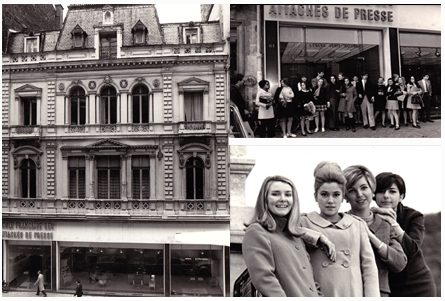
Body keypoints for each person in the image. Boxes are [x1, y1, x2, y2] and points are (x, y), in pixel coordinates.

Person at [243, 175, 336, 297]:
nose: (283, 199)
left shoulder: (295, 236)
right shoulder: (256, 231)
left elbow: (309, 282)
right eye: (275, 194)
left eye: (288, 194)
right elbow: (264, 280)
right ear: (264, 199)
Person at [300, 161, 380, 297]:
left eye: (336, 195)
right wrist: (316, 237)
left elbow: (369, 270)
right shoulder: (304, 223)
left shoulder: (356, 225)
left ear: (343, 196)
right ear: (315, 196)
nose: (330, 201)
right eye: (324, 194)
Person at [343, 165, 407, 297]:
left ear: (372, 190)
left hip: (380, 292)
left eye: (364, 188)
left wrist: (372, 238)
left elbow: (400, 263)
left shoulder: (385, 224)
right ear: (345, 196)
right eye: (352, 190)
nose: (360, 194)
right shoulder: (340, 222)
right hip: (347, 292)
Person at [372, 172, 437, 297]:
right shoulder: (370, 217)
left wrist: (392, 222)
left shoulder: (414, 216)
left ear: (401, 196)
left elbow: (412, 248)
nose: (386, 196)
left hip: (418, 283)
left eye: (392, 192)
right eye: (381, 191)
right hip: (388, 286)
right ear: (374, 196)